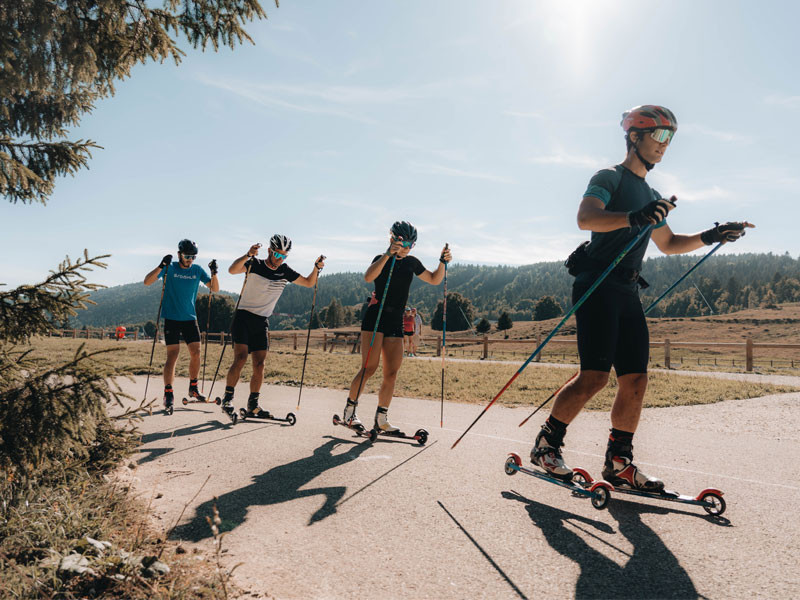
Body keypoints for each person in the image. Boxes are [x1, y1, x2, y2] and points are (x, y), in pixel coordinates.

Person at [531, 105, 754, 490]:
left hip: (627, 289)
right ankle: (547, 445)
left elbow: (667, 243)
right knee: (595, 377)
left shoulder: (651, 194)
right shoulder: (609, 177)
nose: (666, 145)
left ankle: (619, 462)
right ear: (635, 136)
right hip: (597, 283)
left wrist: (712, 235)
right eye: (660, 135)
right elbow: (587, 218)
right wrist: (635, 216)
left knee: (635, 381)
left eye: (671, 138)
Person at [341, 221, 452, 433]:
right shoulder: (381, 259)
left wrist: (442, 262)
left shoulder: (412, 262)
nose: (408, 247)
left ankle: (381, 418)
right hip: (375, 318)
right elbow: (368, 277)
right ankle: (349, 412)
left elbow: (434, 279)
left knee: (391, 373)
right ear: (393, 240)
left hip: (395, 320)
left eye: (412, 244)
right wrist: (387, 255)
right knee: (369, 368)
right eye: (404, 243)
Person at [220, 234, 325, 418]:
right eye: (277, 254)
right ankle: (228, 398)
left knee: (259, 365)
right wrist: (247, 255)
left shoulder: (285, 271)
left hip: (261, 321)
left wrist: (316, 268)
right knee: (241, 358)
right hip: (243, 316)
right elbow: (231, 270)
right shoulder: (255, 264)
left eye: (284, 256)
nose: (279, 259)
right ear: (269, 251)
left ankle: (253, 405)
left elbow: (309, 283)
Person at [144, 239, 219, 410]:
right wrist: (161, 265)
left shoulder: (197, 270)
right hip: (171, 317)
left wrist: (214, 272)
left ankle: (193, 388)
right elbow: (147, 281)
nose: (190, 259)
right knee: (173, 355)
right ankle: (168, 392)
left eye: (193, 257)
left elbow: (214, 288)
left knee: (196, 353)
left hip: (190, 318)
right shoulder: (170, 268)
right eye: (187, 256)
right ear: (179, 254)